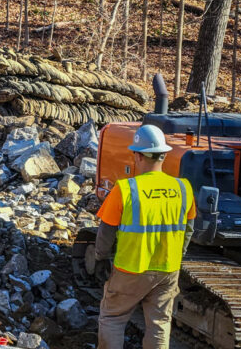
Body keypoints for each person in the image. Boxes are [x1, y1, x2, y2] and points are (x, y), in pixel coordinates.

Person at [95, 124, 196, 349]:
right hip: (167, 268)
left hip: (130, 267)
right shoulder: (183, 188)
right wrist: (179, 256)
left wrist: (101, 257)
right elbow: (188, 229)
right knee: (159, 323)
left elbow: (106, 230)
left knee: (113, 318)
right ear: (164, 155)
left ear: (138, 156)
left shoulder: (125, 189)